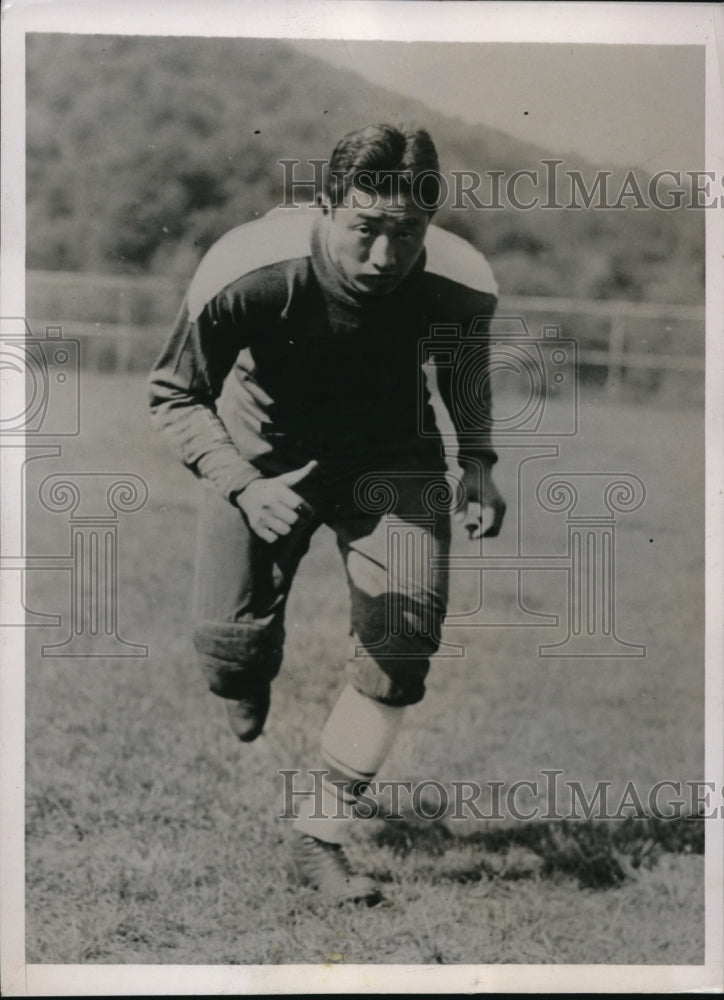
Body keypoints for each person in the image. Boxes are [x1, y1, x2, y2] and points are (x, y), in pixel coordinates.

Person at [148, 123, 506, 905]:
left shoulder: (459, 280)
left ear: (431, 222)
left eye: (406, 234)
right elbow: (175, 392)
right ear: (326, 204)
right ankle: (245, 666)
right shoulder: (250, 269)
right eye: (366, 230)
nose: (384, 257)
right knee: (229, 656)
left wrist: (477, 460)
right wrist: (243, 483)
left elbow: (463, 368)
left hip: (392, 454)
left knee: (402, 641)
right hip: (262, 452)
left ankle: (319, 839)